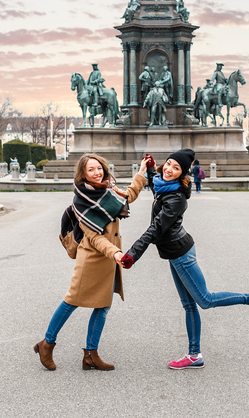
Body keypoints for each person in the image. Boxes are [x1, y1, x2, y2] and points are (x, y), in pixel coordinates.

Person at [120, 148, 249, 370]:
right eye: (169, 164)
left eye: (176, 168)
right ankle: (195, 355)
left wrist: (133, 254)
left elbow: (155, 229)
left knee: (205, 300)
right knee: (189, 304)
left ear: (183, 173)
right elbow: (156, 184)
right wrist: (151, 169)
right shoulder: (167, 186)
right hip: (175, 254)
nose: (169, 169)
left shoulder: (175, 198)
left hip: (181, 254)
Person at [34, 153, 150, 371]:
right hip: (92, 258)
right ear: (83, 174)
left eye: (99, 168)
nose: (97, 173)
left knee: (103, 306)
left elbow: (129, 195)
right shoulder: (82, 201)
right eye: (91, 170)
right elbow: (95, 238)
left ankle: (90, 354)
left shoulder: (108, 191)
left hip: (109, 258)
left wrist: (142, 170)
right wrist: (115, 253)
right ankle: (46, 344)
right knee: (72, 301)